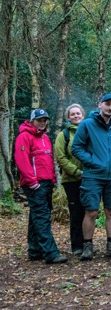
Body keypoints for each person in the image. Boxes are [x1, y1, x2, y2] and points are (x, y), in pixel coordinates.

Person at [71, 93, 111, 260]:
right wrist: (93, 162)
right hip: (93, 175)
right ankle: (87, 247)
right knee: (91, 211)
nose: (110, 108)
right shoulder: (87, 124)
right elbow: (77, 148)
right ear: (100, 104)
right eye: (107, 104)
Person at [15, 109, 67, 264]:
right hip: (34, 183)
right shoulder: (24, 136)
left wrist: (52, 179)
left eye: (44, 120)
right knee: (42, 216)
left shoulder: (44, 137)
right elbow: (22, 160)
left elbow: (49, 161)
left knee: (36, 216)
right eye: (39, 120)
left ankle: (35, 250)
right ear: (32, 121)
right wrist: (32, 181)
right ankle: (50, 253)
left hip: (46, 182)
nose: (42, 122)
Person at [54, 103, 85, 257]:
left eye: (78, 113)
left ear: (83, 115)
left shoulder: (88, 132)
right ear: (68, 117)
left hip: (89, 178)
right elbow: (60, 157)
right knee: (76, 212)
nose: (75, 116)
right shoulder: (63, 135)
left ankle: (88, 243)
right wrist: (77, 172)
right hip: (71, 180)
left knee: (89, 211)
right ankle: (77, 245)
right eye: (72, 114)